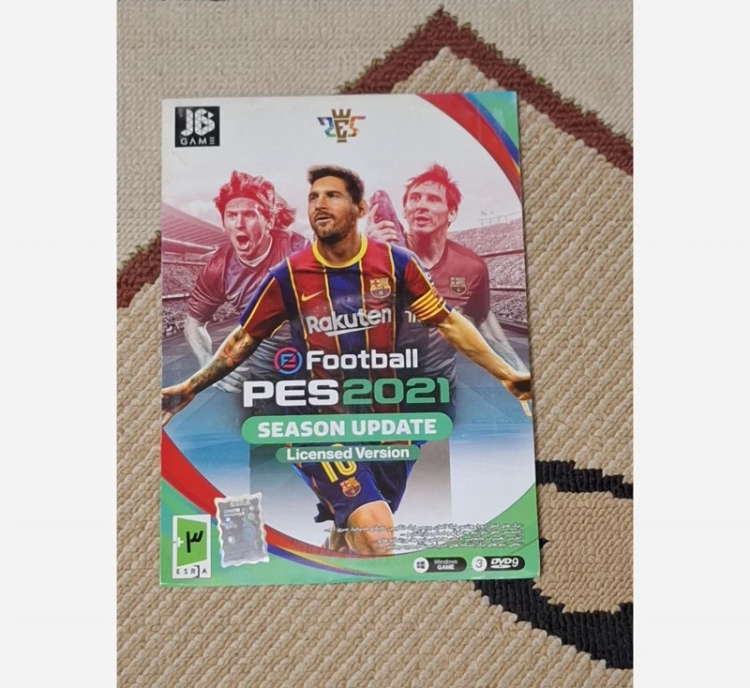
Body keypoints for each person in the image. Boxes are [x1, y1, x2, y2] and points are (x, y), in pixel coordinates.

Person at [162, 165, 531, 556]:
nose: (320, 204)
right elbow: (242, 339)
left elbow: (448, 322)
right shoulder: (289, 276)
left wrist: (507, 374)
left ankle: (332, 555)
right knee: (377, 535)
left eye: (332, 195)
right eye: (313, 197)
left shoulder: (397, 264)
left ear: (360, 208)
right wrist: (191, 386)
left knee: (356, 530)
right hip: (318, 426)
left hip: (390, 424)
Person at [366, 164, 529, 401]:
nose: (421, 205)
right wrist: (364, 255)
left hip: (437, 386)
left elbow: (483, 320)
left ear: (452, 212)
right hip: (380, 385)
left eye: (433, 199)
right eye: (415, 198)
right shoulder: (379, 254)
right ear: (405, 210)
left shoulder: (471, 266)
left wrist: (519, 372)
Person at [183, 171, 307, 392]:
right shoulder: (219, 268)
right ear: (223, 223)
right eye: (232, 215)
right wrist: (207, 363)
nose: (239, 223)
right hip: (265, 353)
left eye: (249, 214)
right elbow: (194, 323)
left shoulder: (298, 250)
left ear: (269, 221)